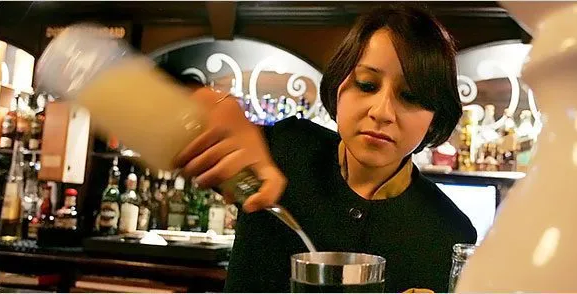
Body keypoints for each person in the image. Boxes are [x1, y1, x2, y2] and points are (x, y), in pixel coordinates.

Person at [170, 4, 476, 293]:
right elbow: (143, 103)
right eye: (367, 85)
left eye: (410, 96)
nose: (382, 112)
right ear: (340, 86)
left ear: (435, 116)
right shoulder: (282, 151)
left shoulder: (449, 233)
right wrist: (199, 108)